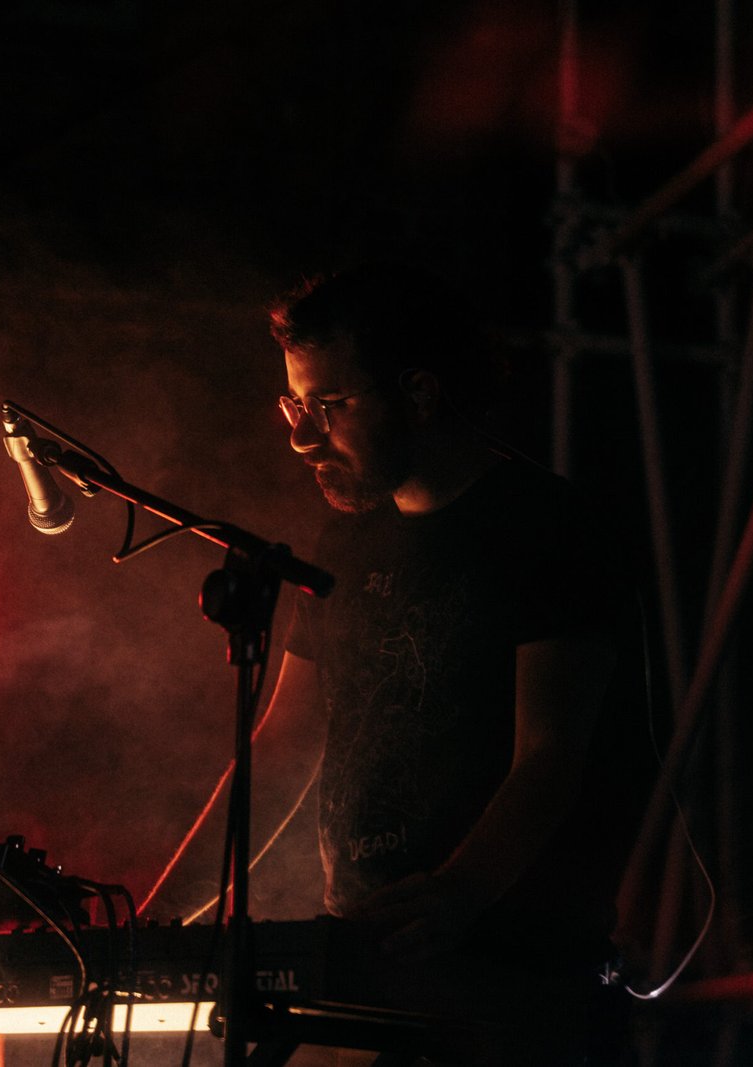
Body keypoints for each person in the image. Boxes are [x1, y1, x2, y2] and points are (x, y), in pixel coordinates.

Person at [253, 263, 647, 1064]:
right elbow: (279, 744)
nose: (302, 436)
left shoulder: (547, 525)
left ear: (420, 394)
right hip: (369, 974)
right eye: (296, 406)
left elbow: (550, 753)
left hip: (514, 987)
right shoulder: (341, 544)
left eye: (328, 405)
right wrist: (149, 918)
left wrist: (459, 893)